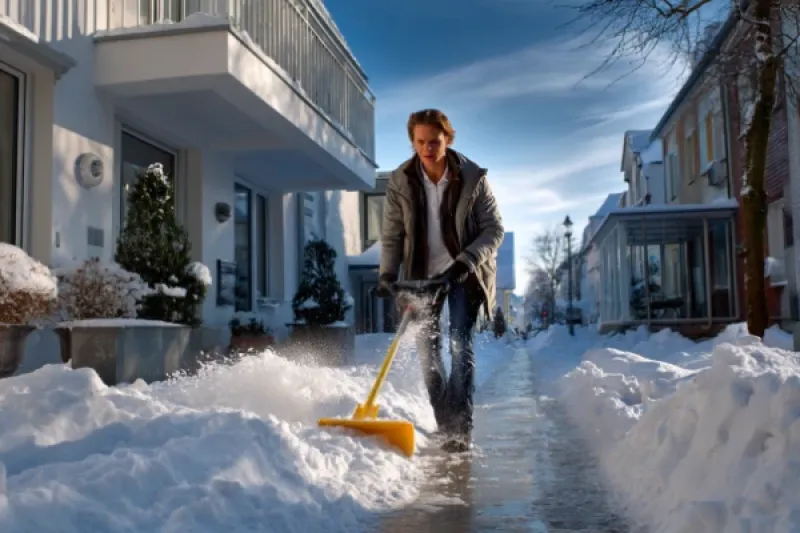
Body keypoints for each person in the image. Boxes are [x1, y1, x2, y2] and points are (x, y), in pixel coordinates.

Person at [375, 108, 504, 452]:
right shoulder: (401, 180)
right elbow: (392, 233)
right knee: (426, 352)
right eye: (420, 142)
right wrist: (387, 274)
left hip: (463, 272)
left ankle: (460, 429)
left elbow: (494, 230)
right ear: (413, 141)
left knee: (460, 344)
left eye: (434, 141)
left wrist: (465, 262)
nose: (427, 149)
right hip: (421, 276)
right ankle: (446, 423)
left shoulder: (473, 178)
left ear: (448, 139)